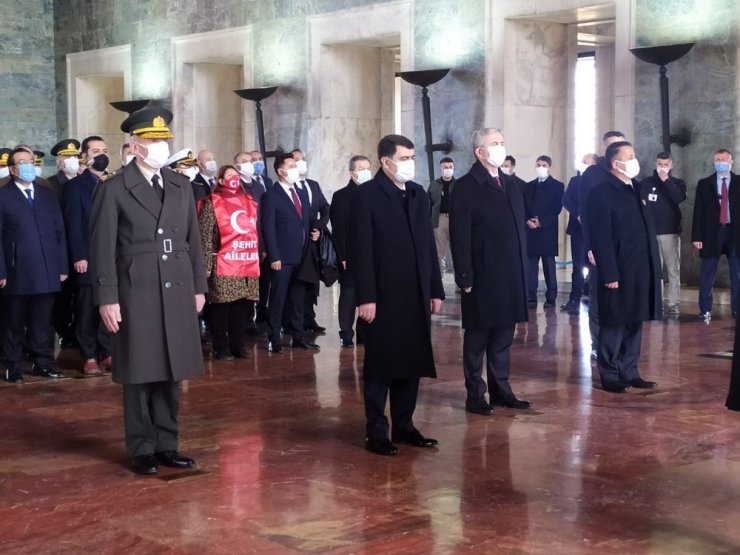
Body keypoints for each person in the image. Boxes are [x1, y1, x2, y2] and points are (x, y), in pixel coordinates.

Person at [90, 107, 208, 475]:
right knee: (140, 370)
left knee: (173, 369)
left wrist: (199, 285)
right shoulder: (114, 188)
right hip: (135, 288)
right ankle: (142, 446)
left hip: (177, 284)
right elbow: (101, 247)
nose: (161, 146)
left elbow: (193, 240)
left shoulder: (179, 184)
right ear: (135, 146)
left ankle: (167, 443)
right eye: (153, 141)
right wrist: (107, 297)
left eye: (163, 140)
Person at [349, 134, 444, 456]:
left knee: (411, 360)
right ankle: (376, 431)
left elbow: (428, 245)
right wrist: (366, 298)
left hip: (415, 292)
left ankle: (405, 425)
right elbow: (360, 250)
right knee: (382, 364)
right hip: (383, 294)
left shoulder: (417, 194)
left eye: (412, 157)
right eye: (404, 158)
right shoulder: (367, 196)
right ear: (386, 161)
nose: (409, 163)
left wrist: (435, 288)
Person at [449, 128, 532, 416]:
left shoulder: (510, 184)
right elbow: (460, 236)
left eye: (502, 142)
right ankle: (475, 394)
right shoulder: (466, 186)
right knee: (478, 339)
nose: (500, 147)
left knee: (503, 337)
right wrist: (465, 276)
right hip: (483, 274)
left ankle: (502, 390)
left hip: (511, 274)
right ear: (479, 152)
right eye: (494, 143)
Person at [586, 141, 660, 393]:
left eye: (634, 154)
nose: (634, 160)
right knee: (614, 322)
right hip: (617, 270)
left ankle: (630, 371)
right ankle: (609, 373)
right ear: (616, 163)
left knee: (634, 320)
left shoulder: (638, 189)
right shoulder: (602, 192)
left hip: (640, 268)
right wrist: (609, 272)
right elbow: (601, 237)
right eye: (629, 156)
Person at [0, 147, 68, 383]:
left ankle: (43, 363)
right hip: (16, 270)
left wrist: (62, 266)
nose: (28, 165)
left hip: (47, 269)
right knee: (13, 323)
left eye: (30, 161)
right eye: (22, 162)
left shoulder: (46, 194)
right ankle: (12, 366)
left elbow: (59, 232)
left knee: (42, 322)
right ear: (12, 168)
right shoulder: (3, 195)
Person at [63, 135, 113, 375]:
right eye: (95, 150)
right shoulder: (75, 187)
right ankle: (89, 354)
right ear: (85, 156)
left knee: (111, 304)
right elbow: (73, 224)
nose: (100, 154)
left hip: (113, 257)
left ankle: (107, 351)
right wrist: (79, 256)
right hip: (89, 258)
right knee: (87, 308)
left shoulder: (113, 182)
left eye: (104, 149)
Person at [198, 165, 260, 360]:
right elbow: (205, 236)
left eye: (236, 175)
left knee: (241, 307)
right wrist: (206, 265)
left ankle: (238, 345)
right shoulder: (212, 203)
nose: (234, 178)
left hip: (245, 262)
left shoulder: (247, 201)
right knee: (221, 307)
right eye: (229, 175)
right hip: (223, 262)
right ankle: (221, 346)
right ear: (221, 181)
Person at [260, 153, 319, 353]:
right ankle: (274, 337)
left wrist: (315, 231)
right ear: (281, 171)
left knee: (297, 298)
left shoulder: (300, 192)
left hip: (301, 255)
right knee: (278, 298)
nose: (296, 168)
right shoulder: (271, 196)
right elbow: (267, 228)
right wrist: (274, 256)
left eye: (296, 164)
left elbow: (306, 219)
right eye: (292, 165)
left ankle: (298, 336)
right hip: (282, 258)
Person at [579, 131, 627, 359]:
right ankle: (598, 343)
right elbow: (585, 213)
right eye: (612, 146)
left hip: (625, 251)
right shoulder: (593, 174)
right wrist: (590, 247)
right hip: (599, 248)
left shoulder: (629, 177)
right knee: (599, 299)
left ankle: (621, 346)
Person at [691, 149, 740, 321]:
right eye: (717, 160)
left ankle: (737, 310)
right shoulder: (705, 183)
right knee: (707, 273)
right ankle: (705, 309)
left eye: (723, 159)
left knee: (737, 274)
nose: (720, 162)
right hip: (712, 233)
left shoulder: (739, 182)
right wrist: (696, 236)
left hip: (735, 233)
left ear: (731, 161)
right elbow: (698, 212)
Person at [330, 154, 371, 348]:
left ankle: (365, 330)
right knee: (349, 294)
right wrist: (343, 256)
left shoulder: (374, 192)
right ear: (352, 172)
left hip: (372, 252)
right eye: (361, 168)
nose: (365, 171)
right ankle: (346, 332)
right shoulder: (341, 196)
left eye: (367, 167)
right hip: (351, 253)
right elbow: (339, 229)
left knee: (369, 293)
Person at [641, 152, 687, 316]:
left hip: (670, 232)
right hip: (651, 233)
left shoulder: (677, 183)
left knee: (673, 269)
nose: (662, 167)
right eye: (660, 163)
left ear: (671, 165)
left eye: (666, 164)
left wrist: (666, 180)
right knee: (655, 269)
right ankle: (656, 301)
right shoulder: (646, 183)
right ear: (656, 163)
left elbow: (678, 198)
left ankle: (673, 303)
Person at [291, 148, 330, 333]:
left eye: (303, 159)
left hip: (313, 241)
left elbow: (325, 207)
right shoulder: (288, 188)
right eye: (296, 159)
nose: (301, 162)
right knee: (295, 284)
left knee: (311, 283)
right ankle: (292, 322)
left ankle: (309, 318)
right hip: (295, 242)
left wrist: (320, 227)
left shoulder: (313, 185)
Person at [523, 155, 564, 309]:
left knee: (549, 266)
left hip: (547, 230)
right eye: (538, 164)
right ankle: (530, 296)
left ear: (549, 167)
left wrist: (542, 221)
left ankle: (551, 297)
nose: (540, 167)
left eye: (544, 164)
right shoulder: (528, 186)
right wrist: (527, 220)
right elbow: (524, 206)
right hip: (531, 230)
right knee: (531, 267)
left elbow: (556, 208)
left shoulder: (558, 186)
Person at [561, 153, 598, 311]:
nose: (585, 165)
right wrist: (578, 214)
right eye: (584, 162)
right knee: (577, 265)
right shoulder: (575, 181)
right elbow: (566, 200)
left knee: (595, 266)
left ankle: (595, 299)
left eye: (589, 163)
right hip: (578, 230)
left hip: (596, 230)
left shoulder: (601, 182)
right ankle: (574, 299)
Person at [428, 157, 455, 272]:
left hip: (456, 220)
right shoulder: (434, 185)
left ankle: (460, 283)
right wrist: (428, 222)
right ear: (440, 169)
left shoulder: (459, 185)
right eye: (445, 167)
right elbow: (428, 204)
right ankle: (438, 282)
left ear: (453, 168)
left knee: (457, 253)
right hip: (439, 220)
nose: (448, 169)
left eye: (450, 167)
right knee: (439, 254)